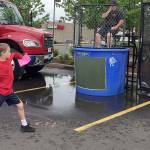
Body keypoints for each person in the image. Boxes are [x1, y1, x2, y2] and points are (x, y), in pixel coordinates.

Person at [0, 43, 35, 132]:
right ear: (3, 53)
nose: (10, 53)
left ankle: (24, 126)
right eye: (8, 51)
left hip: (9, 92)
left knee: (20, 105)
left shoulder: (8, 58)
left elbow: (15, 54)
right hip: (1, 93)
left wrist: (21, 57)